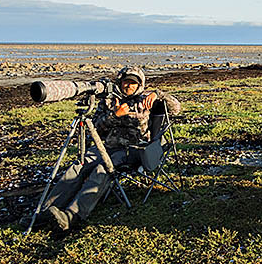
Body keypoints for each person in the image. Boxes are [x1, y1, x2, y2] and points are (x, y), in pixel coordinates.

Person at [39, 66, 182, 232]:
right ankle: (45, 212)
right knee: (77, 167)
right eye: (125, 82)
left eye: (133, 83)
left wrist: (158, 94)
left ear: (140, 85)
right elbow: (96, 128)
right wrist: (115, 116)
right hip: (105, 146)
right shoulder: (108, 101)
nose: (128, 86)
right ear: (119, 82)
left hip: (134, 150)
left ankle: (72, 215)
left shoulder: (147, 100)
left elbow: (176, 108)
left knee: (103, 169)